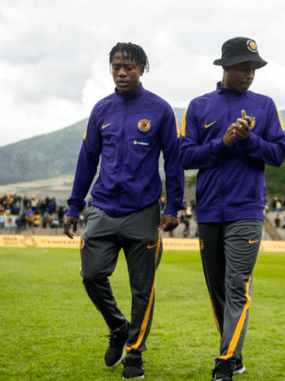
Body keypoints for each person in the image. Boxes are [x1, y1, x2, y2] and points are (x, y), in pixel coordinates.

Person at [63, 42, 184, 379]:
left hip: (143, 211)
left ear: (141, 69)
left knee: (141, 290)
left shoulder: (159, 109)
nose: (121, 72)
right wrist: (74, 206)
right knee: (91, 275)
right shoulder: (102, 110)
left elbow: (173, 161)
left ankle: (134, 354)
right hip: (101, 208)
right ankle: (118, 326)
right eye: (116, 66)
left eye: (128, 66)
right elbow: (87, 159)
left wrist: (173, 205)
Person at [179, 37, 285, 381]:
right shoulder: (198, 106)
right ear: (225, 67)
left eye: (253, 68)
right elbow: (183, 157)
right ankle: (235, 353)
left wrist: (249, 140)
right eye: (243, 67)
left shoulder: (266, 106)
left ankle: (224, 361)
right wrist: (222, 142)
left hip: (247, 211)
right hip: (209, 211)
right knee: (217, 290)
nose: (250, 74)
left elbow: (279, 155)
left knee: (237, 285)